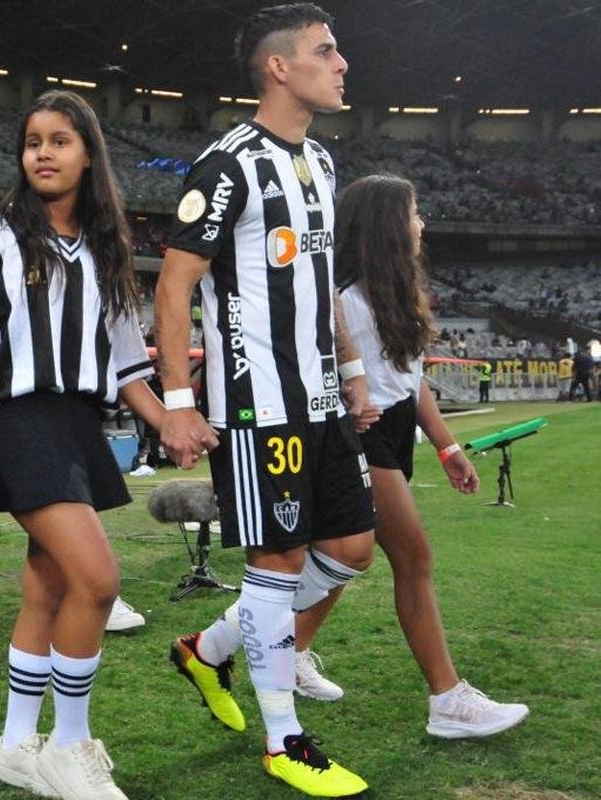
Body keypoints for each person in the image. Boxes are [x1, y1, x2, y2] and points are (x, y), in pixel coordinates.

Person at [154, 4, 374, 796]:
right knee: (275, 563)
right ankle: (284, 741)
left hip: (319, 398)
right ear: (279, 67)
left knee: (350, 550)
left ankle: (206, 650)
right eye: (325, 50)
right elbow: (173, 287)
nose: (340, 63)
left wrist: (351, 368)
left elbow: (319, 283)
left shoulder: (319, 161)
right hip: (257, 405)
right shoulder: (227, 166)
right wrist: (178, 401)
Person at [0, 89, 162, 800]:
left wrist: (169, 420)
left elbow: (127, 361)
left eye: (59, 140)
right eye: (33, 141)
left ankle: (15, 746)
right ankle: (67, 744)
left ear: (88, 154)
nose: (42, 152)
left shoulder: (105, 244)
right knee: (97, 580)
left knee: (51, 582)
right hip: (16, 418)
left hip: (76, 420)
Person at [292, 173, 529, 738]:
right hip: (363, 435)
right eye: (413, 214)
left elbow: (412, 380)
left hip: (396, 430)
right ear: (386, 228)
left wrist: (447, 447)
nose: (422, 224)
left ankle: (286, 651)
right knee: (412, 558)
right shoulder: (345, 302)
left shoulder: (396, 295)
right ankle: (448, 700)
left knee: (344, 559)